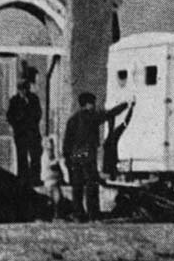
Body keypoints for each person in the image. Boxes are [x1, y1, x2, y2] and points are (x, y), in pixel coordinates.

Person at [62, 92, 130, 221]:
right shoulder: (91, 116)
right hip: (88, 155)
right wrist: (125, 105)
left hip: (75, 156)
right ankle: (93, 214)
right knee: (91, 185)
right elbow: (109, 114)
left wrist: (67, 158)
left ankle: (79, 214)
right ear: (88, 104)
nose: (94, 106)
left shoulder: (72, 119)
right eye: (93, 103)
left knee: (77, 187)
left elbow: (67, 141)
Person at [6, 79, 42, 184]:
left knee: (35, 156)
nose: (24, 91)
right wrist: (17, 124)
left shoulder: (34, 99)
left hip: (33, 133)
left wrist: (32, 121)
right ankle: (23, 179)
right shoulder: (14, 101)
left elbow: (38, 113)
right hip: (20, 134)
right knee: (22, 157)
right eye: (22, 89)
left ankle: (35, 178)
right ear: (18, 90)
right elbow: (10, 116)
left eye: (26, 89)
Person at [102, 100, 134, 178]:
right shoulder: (113, 135)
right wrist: (131, 109)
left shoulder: (112, 135)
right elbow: (125, 122)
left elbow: (125, 122)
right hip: (111, 165)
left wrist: (131, 109)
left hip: (109, 165)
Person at [40, 135, 66, 220]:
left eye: (52, 143)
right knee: (54, 198)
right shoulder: (46, 155)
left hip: (54, 179)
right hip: (50, 179)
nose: (51, 145)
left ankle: (56, 215)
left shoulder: (52, 154)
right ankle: (52, 215)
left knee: (57, 198)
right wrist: (58, 161)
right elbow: (50, 165)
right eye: (49, 143)